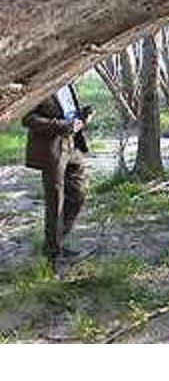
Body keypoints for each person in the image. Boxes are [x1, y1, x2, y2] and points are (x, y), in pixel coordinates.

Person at [22, 83, 94, 266]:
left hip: (73, 145)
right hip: (52, 149)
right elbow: (27, 119)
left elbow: (68, 111)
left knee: (78, 195)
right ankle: (53, 256)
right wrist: (61, 125)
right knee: (55, 202)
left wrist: (82, 117)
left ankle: (55, 242)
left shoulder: (68, 82)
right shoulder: (43, 83)